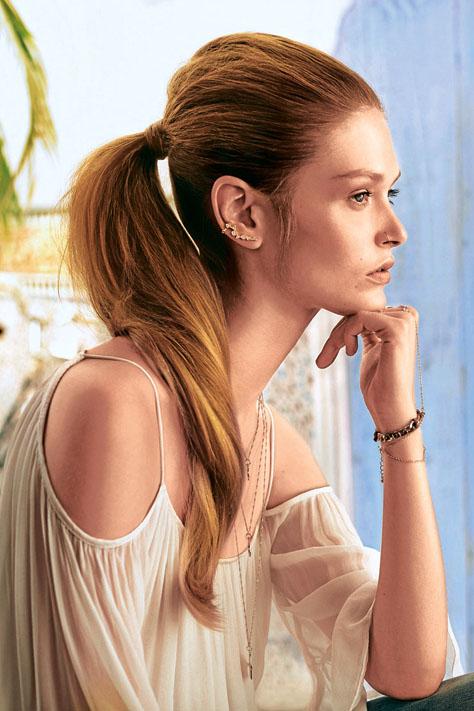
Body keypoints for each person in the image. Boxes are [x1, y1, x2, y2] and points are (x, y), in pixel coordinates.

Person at [0, 31, 471, 711]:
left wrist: (400, 429)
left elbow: (410, 670)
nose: (396, 229)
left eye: (389, 190)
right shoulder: (114, 405)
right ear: (243, 212)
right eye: (359, 196)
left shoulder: (267, 444)